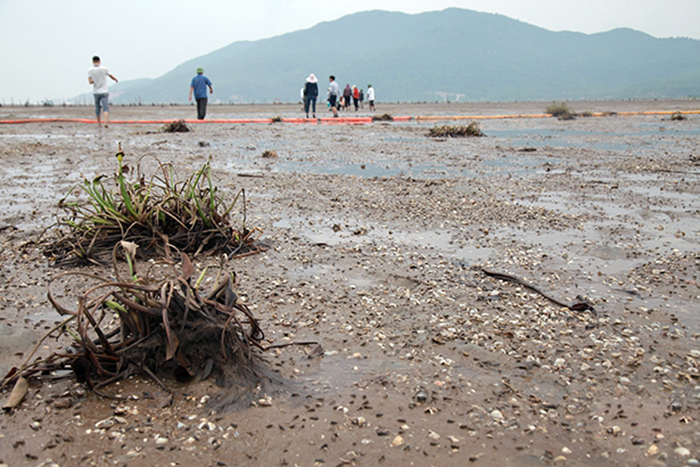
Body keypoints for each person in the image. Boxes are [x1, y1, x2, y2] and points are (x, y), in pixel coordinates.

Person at [87, 56, 118, 127]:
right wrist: (115, 79)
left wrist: (94, 80)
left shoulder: (90, 70)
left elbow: (90, 81)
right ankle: (106, 122)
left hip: (96, 92)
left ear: (93, 62)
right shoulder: (104, 69)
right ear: (99, 61)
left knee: (97, 108)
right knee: (105, 107)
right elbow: (111, 76)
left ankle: (99, 123)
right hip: (104, 91)